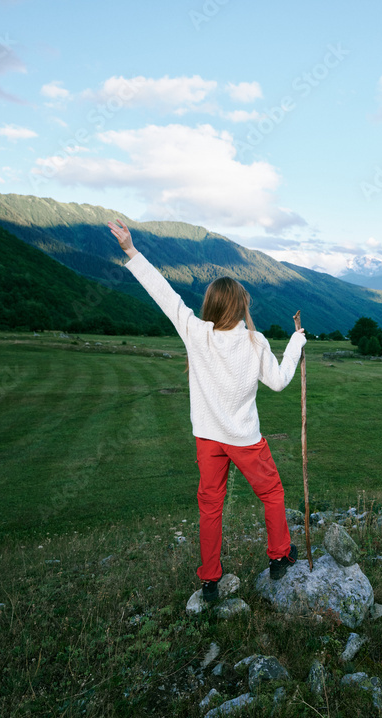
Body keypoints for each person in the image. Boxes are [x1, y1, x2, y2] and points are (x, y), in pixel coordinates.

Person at [108, 218, 304, 602]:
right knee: (272, 493)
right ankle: (280, 556)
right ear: (241, 306)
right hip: (244, 439)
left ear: (211, 306)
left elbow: (164, 294)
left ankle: (210, 581)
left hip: (207, 438)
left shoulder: (196, 333)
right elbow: (280, 381)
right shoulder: (255, 341)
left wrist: (131, 250)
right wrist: (295, 343)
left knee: (210, 508)